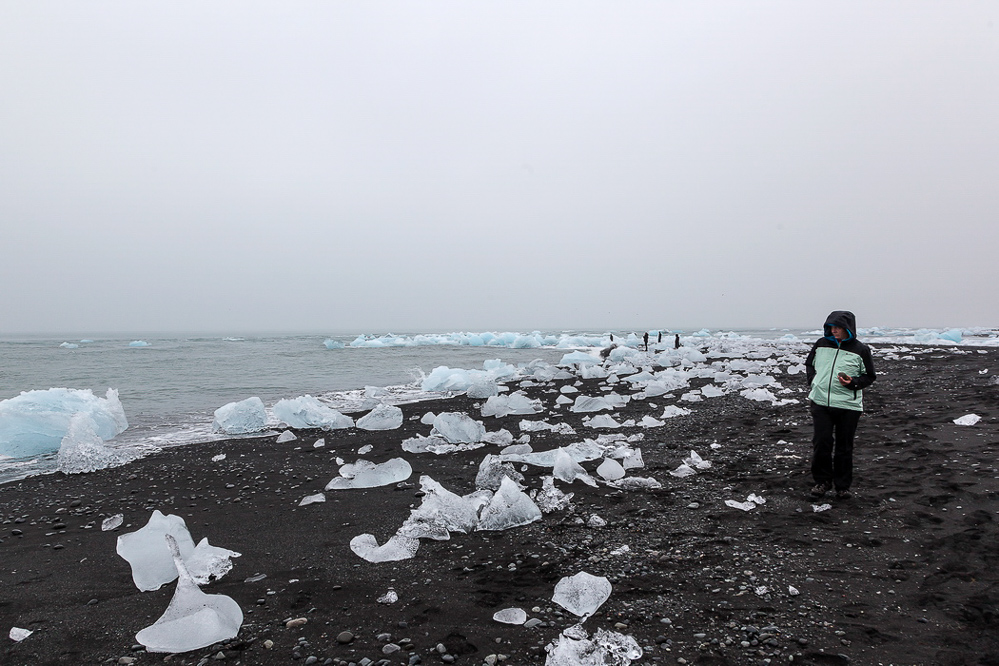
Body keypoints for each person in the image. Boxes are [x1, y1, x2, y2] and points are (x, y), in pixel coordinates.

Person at [805, 310, 876, 500]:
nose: (833, 330)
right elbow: (809, 364)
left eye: (837, 327)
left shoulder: (860, 349)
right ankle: (822, 482)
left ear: (848, 328)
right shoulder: (821, 344)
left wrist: (853, 382)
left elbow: (869, 376)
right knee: (822, 442)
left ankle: (842, 486)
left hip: (848, 405)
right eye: (830, 327)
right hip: (820, 401)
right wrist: (813, 381)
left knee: (844, 446)